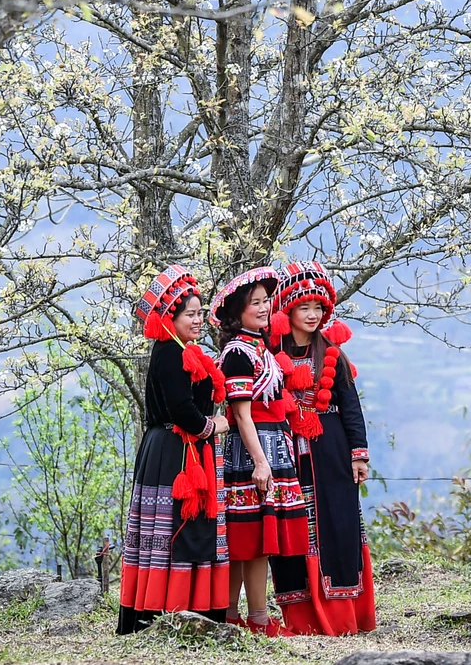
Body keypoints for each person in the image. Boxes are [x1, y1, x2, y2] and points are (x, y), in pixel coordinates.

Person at [117, 265, 231, 634]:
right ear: (171, 318)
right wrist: (212, 426)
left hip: (180, 450)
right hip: (172, 452)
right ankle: (166, 610)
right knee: (170, 530)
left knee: (181, 531)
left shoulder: (185, 350)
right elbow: (182, 408)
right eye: (190, 314)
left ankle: (187, 608)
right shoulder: (169, 352)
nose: (198, 320)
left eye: (200, 313)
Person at [269, 260, 375, 636]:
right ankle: (301, 619)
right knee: (293, 530)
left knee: (337, 525)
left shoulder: (332, 354)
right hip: (284, 452)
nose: (312, 315)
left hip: (330, 450)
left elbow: (350, 406)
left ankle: (344, 617)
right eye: (303, 307)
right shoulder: (269, 353)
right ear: (288, 310)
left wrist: (358, 454)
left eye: (318, 308)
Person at [214, 266, 310, 636]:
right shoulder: (238, 352)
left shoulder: (259, 347)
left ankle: (235, 615)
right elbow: (240, 413)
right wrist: (260, 462)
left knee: (251, 537)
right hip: (252, 448)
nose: (264, 307)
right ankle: (253, 617)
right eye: (255, 303)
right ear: (238, 311)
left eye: (266, 301)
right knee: (251, 538)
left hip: (271, 443)